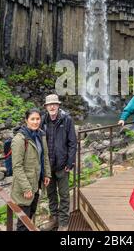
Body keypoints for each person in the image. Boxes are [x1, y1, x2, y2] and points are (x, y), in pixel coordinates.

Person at [40, 94, 77, 231]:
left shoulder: (66, 120)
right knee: (51, 194)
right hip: (48, 167)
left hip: (62, 165)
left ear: (58, 105)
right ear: (46, 107)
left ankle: (63, 222)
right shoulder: (43, 120)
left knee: (64, 194)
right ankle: (54, 218)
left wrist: (70, 162)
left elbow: (73, 143)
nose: (52, 106)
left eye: (54, 104)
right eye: (50, 104)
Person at [10, 108, 51, 231]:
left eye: (37, 119)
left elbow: (44, 156)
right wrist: (26, 188)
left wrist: (47, 174)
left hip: (36, 183)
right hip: (25, 187)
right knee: (23, 222)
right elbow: (17, 166)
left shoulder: (40, 135)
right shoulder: (19, 139)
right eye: (32, 119)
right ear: (26, 120)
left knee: (31, 214)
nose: (35, 122)